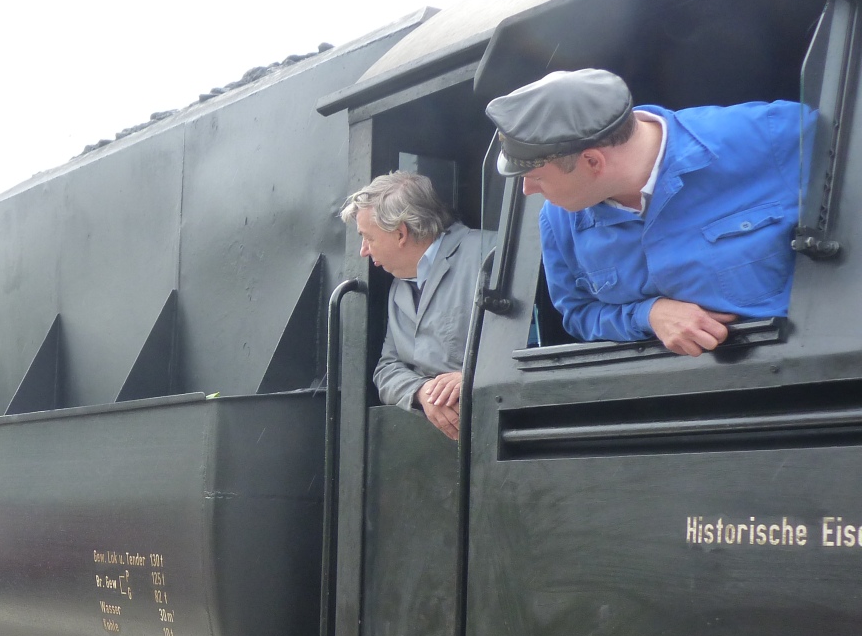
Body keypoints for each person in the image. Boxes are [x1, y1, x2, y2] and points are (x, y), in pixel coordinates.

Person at [486, 68, 802, 356]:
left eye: (536, 177)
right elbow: (579, 312)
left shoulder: (772, 135)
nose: (527, 190)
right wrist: (647, 314)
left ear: (593, 162)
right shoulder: (558, 220)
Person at [341, 172, 488, 440]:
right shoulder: (399, 286)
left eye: (368, 238)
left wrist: (476, 376)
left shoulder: (490, 255)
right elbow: (387, 368)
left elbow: (534, 346)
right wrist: (422, 392)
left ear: (401, 233)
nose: (363, 250)